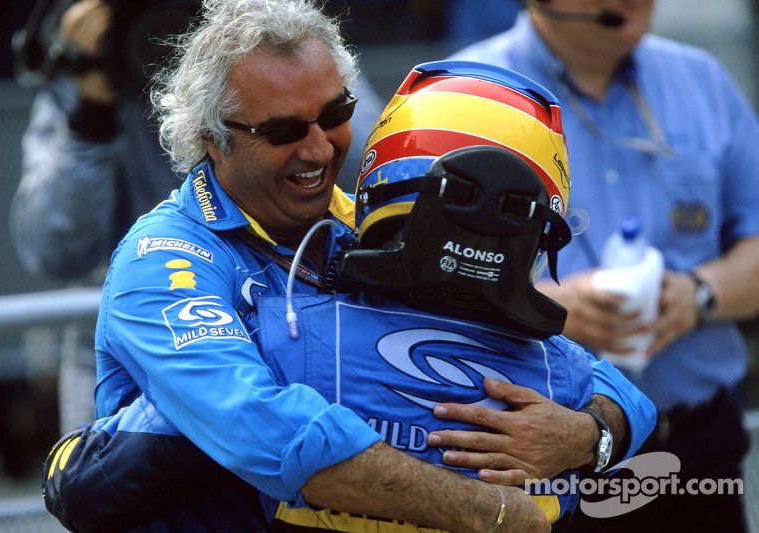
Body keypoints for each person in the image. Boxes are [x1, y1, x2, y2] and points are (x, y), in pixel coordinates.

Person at [40, 56, 655, 531]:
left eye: (335, 115)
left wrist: (587, 438)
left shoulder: (286, 339)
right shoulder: (557, 378)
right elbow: (250, 421)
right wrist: (501, 504)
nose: (317, 146)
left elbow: (82, 482)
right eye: (282, 129)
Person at [449, 1, 759, 531]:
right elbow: (423, 279)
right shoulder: (460, 94)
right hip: (541, 461)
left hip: (696, 447)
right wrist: (543, 306)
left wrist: (700, 296)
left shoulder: (701, 78)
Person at [9, 0, 384, 434]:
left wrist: (265, 41)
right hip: (136, 343)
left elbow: (372, 167)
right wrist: (90, 104)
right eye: (281, 129)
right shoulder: (91, 63)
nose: (164, 33)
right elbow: (53, 250)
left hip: (302, 323)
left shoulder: (273, 40)